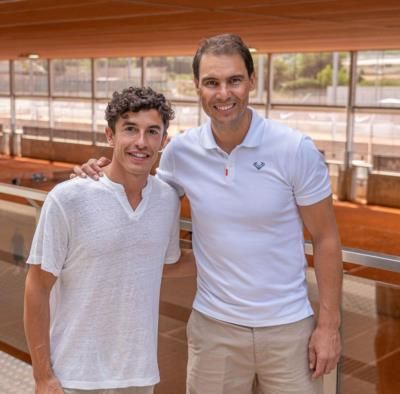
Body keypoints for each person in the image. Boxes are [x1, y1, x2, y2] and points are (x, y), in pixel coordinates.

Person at [74, 34, 342, 394]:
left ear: (251, 81)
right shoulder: (181, 152)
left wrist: (328, 327)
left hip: (289, 330)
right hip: (213, 330)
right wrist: (94, 175)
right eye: (212, 83)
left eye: (234, 80)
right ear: (197, 87)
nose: (223, 93)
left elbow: (325, 239)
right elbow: (140, 192)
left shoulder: (294, 149)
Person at [24, 87, 194, 394]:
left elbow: (165, 263)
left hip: (139, 376)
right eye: (130, 129)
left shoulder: (167, 200)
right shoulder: (68, 198)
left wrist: (236, 255)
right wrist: (42, 375)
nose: (141, 142)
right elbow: (37, 286)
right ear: (110, 136)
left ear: (163, 141)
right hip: (73, 376)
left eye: (152, 132)